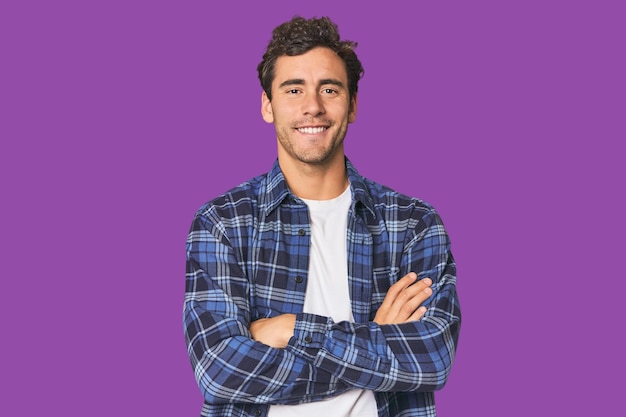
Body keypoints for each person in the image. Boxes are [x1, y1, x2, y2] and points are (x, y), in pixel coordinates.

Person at [184, 16, 461, 417]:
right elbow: (219, 369)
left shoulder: (413, 224)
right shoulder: (223, 223)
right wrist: (378, 340)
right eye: (293, 89)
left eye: (329, 89)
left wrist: (293, 329)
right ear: (267, 105)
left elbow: (433, 357)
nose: (312, 106)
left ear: (352, 106)